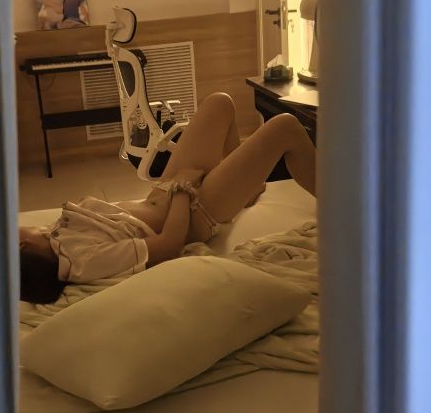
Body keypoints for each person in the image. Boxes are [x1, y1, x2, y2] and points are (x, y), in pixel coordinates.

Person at [19, 92, 316, 303]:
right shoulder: (82, 260)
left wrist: (174, 185)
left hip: (166, 192)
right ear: (22, 245)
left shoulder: (56, 239)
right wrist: (182, 189)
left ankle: (243, 191)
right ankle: (340, 203)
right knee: (285, 126)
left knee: (220, 104)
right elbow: (169, 244)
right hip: (195, 209)